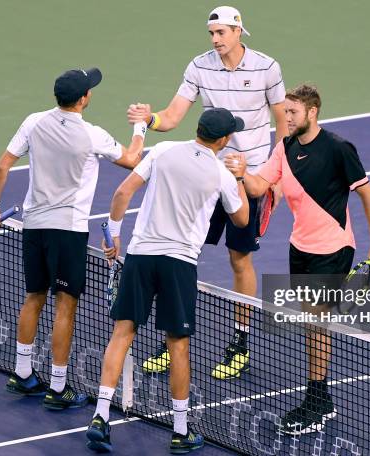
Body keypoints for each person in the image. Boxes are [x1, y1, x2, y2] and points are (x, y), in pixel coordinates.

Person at [128, 5, 287, 381]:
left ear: (238, 32)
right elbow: (171, 117)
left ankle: (240, 342)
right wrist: (148, 119)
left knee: (239, 260)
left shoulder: (268, 67)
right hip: (206, 173)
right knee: (184, 254)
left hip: (247, 178)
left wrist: (275, 178)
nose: (215, 40)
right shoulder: (198, 66)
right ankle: (173, 335)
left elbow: (283, 123)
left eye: (221, 33)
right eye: (211, 34)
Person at [85, 108, 249, 453]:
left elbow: (121, 194)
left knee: (122, 333)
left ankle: (100, 414)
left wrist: (114, 235)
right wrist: (240, 177)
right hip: (179, 265)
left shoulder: (162, 151)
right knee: (178, 345)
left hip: (141, 257)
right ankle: (179, 430)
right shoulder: (221, 173)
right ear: (222, 140)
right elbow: (243, 219)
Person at [225, 84, 370, 434]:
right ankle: (320, 395)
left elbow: (368, 196)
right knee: (312, 323)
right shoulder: (285, 148)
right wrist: (240, 174)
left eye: (292, 113)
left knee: (316, 322)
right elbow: (258, 187)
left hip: (333, 249)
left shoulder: (339, 149)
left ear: (312, 112)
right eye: (285, 112)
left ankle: (316, 400)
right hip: (299, 247)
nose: (286, 118)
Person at [0, 67, 147, 410]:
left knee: (33, 297)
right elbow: (133, 160)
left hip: (34, 226)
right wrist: (140, 126)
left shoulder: (33, 121)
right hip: (67, 230)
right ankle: (58, 389)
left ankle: (22, 373)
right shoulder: (92, 135)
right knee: (65, 306)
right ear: (84, 99)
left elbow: (1, 168)